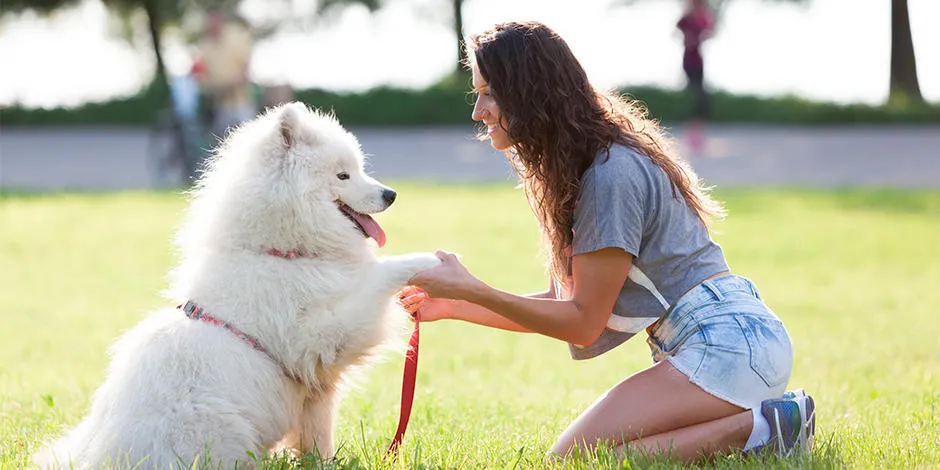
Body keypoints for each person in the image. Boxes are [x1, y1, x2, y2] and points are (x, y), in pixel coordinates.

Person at [400, 21, 815, 463]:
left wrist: (471, 288)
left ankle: (766, 428)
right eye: (476, 93)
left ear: (530, 92)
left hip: (727, 346)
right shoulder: (598, 163)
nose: (477, 110)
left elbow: (583, 322)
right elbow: (571, 303)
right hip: (738, 343)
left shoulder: (610, 174)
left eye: (489, 92)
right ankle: (768, 425)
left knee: (576, 459)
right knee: (601, 457)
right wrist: (455, 306)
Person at [196, 10, 257, 138]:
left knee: (249, 137)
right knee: (224, 141)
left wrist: (239, 80)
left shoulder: (235, 37)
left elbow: (246, 64)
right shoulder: (204, 47)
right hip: (221, 105)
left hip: (242, 101)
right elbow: (202, 77)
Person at [676, 0, 715, 154]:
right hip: (689, 63)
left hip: (699, 62)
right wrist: (686, 37)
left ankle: (696, 133)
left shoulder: (701, 19)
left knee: (701, 98)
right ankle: (693, 135)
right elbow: (677, 30)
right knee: (697, 97)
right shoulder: (686, 19)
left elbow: (710, 30)